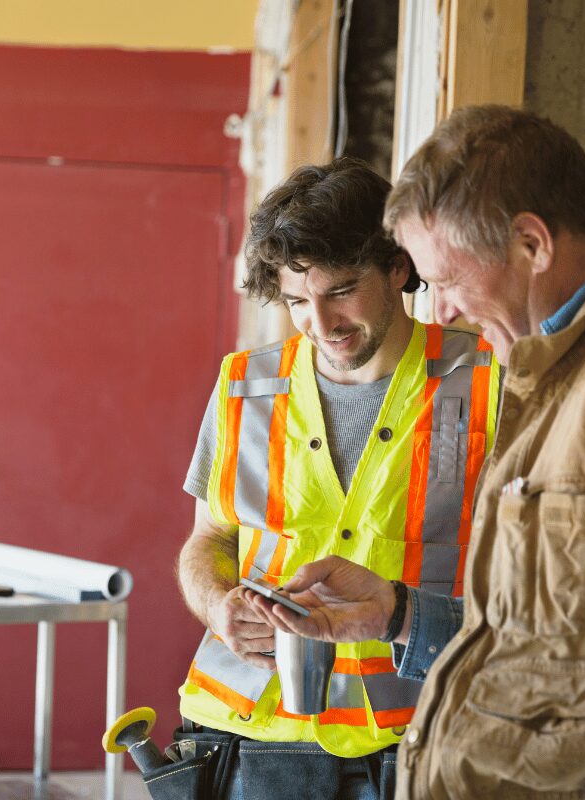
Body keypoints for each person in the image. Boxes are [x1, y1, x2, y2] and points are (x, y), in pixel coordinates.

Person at [247, 105, 585, 800]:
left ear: (531, 244)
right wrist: (397, 614)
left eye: (448, 280)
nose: (445, 312)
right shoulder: (547, 370)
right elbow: (546, 646)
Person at [172, 157, 502, 800]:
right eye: (297, 301)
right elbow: (207, 541)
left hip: (423, 729)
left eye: (341, 290)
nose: (320, 326)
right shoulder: (244, 385)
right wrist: (218, 604)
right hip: (256, 732)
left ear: (398, 268)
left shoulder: (489, 380)